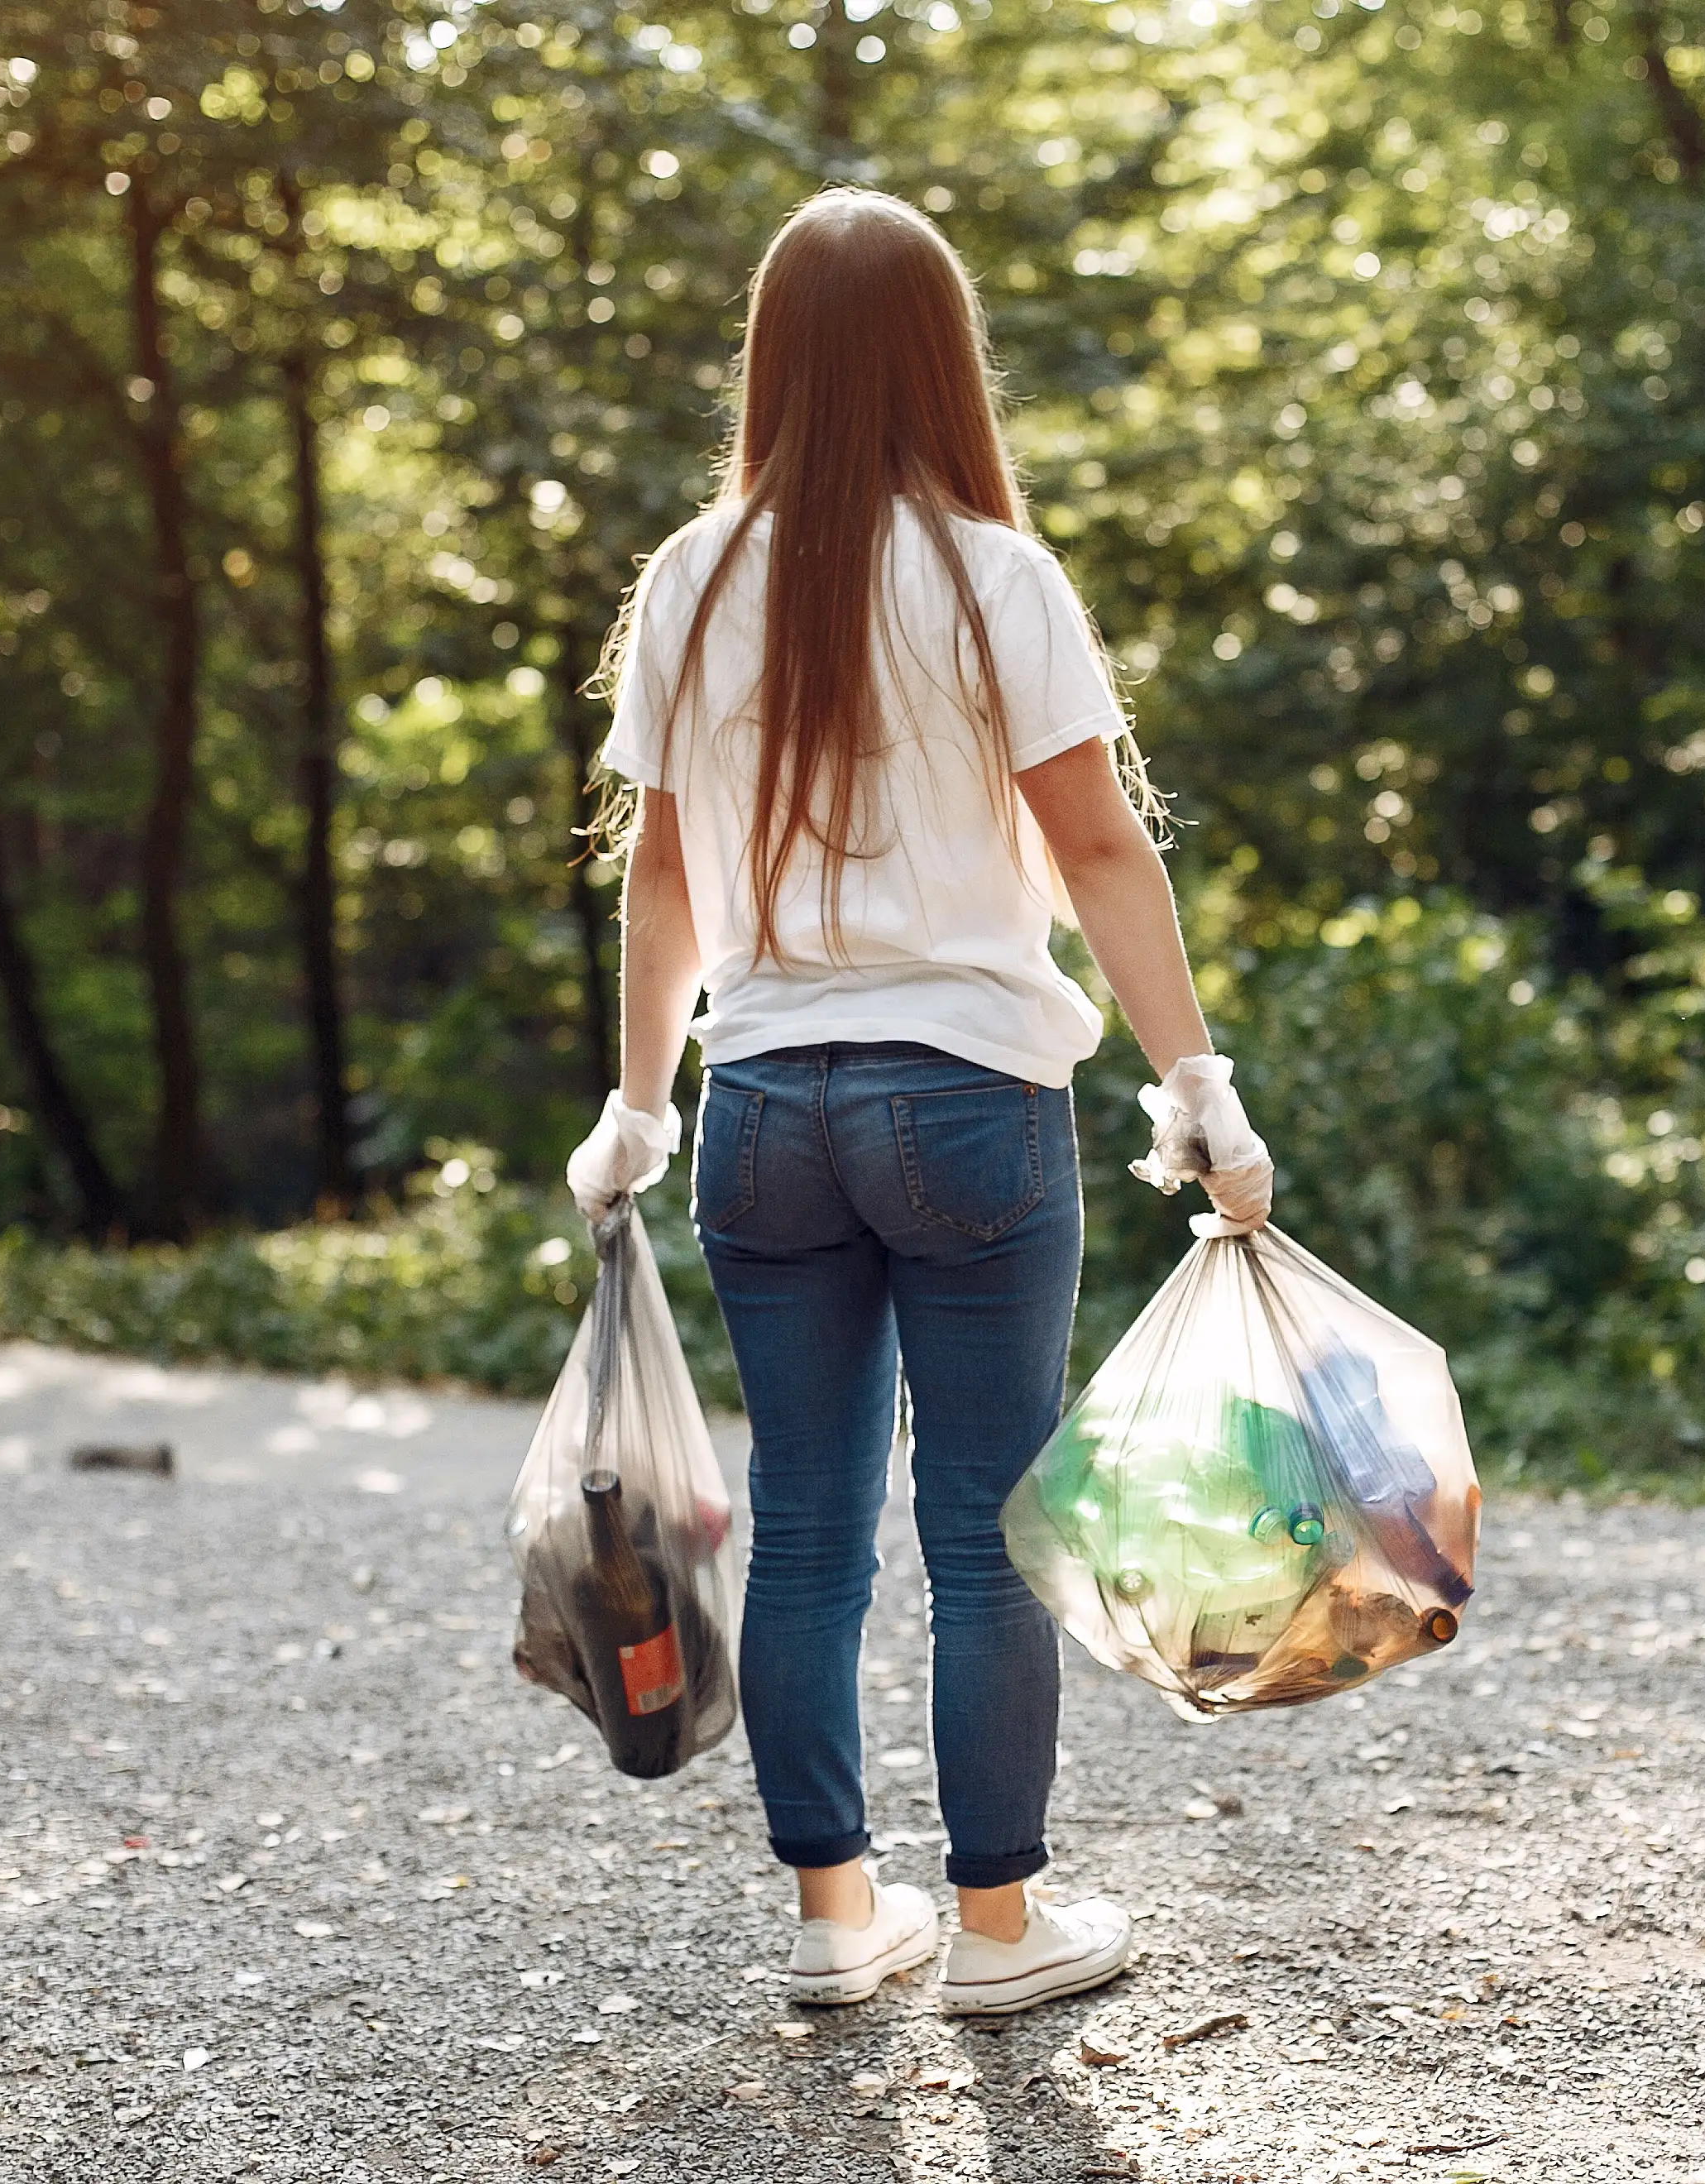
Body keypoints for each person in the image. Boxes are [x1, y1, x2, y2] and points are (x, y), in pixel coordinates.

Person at [563, 186, 1271, 2019]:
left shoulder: (687, 579)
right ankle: (1000, 1936)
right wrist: (1198, 1081)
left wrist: (638, 1099)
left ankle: (832, 1916)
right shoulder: (994, 578)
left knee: (805, 1523)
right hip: (963, 1099)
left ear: (772, 358)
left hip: (764, 1105)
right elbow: (1097, 844)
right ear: (948, 360)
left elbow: (656, 877)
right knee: (981, 1529)